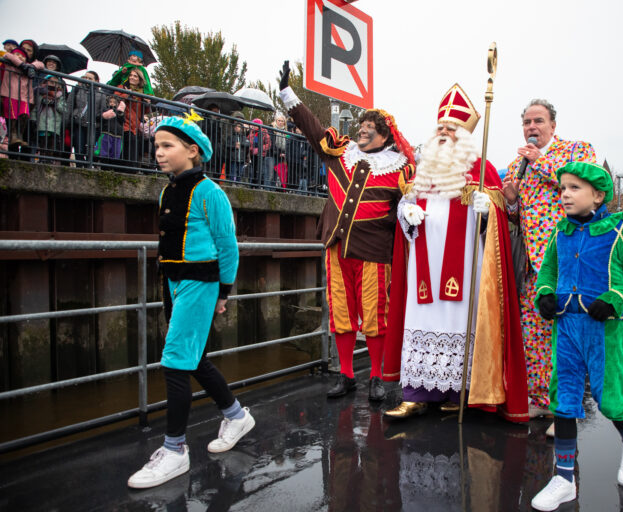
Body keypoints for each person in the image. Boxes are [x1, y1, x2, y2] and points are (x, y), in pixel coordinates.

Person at [382, 84, 528, 421]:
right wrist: (406, 215)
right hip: (423, 260)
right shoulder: (423, 169)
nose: (445, 133)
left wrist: (489, 207)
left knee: (459, 323)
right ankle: (415, 395)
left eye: (452, 129)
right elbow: (406, 204)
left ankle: (457, 392)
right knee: (421, 319)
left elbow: (499, 225)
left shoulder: (481, 169)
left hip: (464, 263)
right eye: (441, 128)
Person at [127, 111, 255, 489]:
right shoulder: (168, 190)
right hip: (175, 281)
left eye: (167, 146)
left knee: (175, 359)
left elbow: (227, 245)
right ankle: (235, 415)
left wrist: (224, 291)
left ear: (193, 151)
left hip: (200, 281)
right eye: (156, 146)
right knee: (192, 356)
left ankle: (175, 450)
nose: (159, 152)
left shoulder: (209, 192)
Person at [277, 60, 415, 401]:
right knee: (340, 312)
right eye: (362, 124)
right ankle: (346, 374)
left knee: (375, 317)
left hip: (375, 253)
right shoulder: (340, 155)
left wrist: (412, 210)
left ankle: (379, 378)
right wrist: (287, 95)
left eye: (370, 126)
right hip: (337, 248)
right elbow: (311, 128)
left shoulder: (400, 169)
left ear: (384, 134)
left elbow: (413, 208)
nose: (363, 129)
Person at [530, 161, 623, 511]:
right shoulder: (560, 232)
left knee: (610, 398)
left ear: (598, 195)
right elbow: (548, 270)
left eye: (574, 188)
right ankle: (564, 478)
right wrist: (544, 293)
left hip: (605, 329)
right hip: (567, 325)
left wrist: (616, 298)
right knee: (564, 399)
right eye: (562, 189)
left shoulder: (619, 230)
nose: (565, 195)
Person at [502, 99, 596, 435]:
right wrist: (511, 200)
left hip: (568, 259)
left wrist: (540, 162)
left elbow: (581, 184)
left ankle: (567, 410)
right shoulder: (517, 165)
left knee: (566, 334)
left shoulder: (576, 151)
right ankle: (541, 399)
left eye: (538, 121)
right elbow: (516, 217)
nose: (531, 128)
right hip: (532, 266)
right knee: (535, 336)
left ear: (553, 125)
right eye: (526, 122)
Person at [0, 47, 43, 151]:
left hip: (24, 97)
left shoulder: (28, 68)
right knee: (13, 116)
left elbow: (41, 64)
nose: (19, 57)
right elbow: (6, 55)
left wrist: (30, 66)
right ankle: (13, 136)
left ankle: (18, 136)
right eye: (17, 54)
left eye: (22, 56)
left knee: (24, 115)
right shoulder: (10, 64)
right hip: (10, 94)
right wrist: (21, 64)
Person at [67, 70, 106, 165]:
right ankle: (80, 167)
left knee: (90, 148)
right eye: (85, 78)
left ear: (96, 81)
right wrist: (70, 118)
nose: (87, 80)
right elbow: (70, 105)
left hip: (94, 125)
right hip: (79, 123)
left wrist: (97, 117)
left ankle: (88, 166)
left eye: (90, 78)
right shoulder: (77, 90)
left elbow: (103, 110)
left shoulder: (101, 94)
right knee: (79, 147)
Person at [116, 68, 151, 168]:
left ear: (140, 80)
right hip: (123, 123)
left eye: (135, 76)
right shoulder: (121, 87)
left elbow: (145, 112)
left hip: (135, 126)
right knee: (125, 149)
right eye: (130, 75)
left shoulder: (141, 93)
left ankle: (132, 170)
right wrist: (127, 93)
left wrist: (147, 103)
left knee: (134, 150)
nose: (132, 77)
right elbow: (115, 99)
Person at [31, 74, 67, 160]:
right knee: (43, 143)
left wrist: (56, 102)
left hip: (54, 125)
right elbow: (35, 107)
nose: (54, 84)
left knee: (51, 144)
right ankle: (43, 159)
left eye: (56, 83)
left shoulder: (60, 96)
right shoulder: (40, 93)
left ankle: (48, 161)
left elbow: (64, 109)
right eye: (51, 81)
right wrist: (33, 119)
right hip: (42, 123)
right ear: (46, 82)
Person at [95, 94, 125, 165]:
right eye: (110, 102)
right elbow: (98, 117)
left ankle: (111, 168)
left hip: (118, 135)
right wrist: (104, 115)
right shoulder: (105, 109)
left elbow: (122, 120)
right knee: (103, 151)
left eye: (114, 102)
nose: (112, 103)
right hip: (106, 132)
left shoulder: (119, 111)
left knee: (115, 153)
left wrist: (120, 113)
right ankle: (101, 165)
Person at [224, 112, 250, 182]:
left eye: (239, 127)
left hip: (241, 158)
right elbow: (227, 145)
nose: (237, 128)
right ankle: (232, 182)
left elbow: (248, 144)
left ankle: (238, 182)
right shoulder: (231, 137)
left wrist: (241, 144)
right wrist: (234, 146)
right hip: (233, 157)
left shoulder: (243, 137)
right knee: (233, 170)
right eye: (236, 127)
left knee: (240, 171)